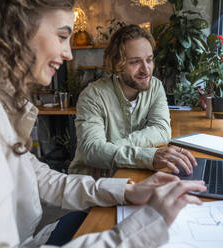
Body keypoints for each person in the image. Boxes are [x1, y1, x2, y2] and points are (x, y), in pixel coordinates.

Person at [0, 1, 207, 247]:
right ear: (16, 29)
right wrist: (143, 227)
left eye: (149, 60)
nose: (69, 53)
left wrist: (127, 191)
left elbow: (43, 179)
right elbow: (93, 150)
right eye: (61, 36)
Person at [68, 24, 198, 178]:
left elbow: (162, 131)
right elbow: (92, 152)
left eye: (149, 60)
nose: (146, 69)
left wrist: (110, 148)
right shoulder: (92, 96)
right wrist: (147, 156)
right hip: (92, 180)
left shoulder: (155, 86)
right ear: (117, 64)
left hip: (130, 176)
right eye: (135, 62)